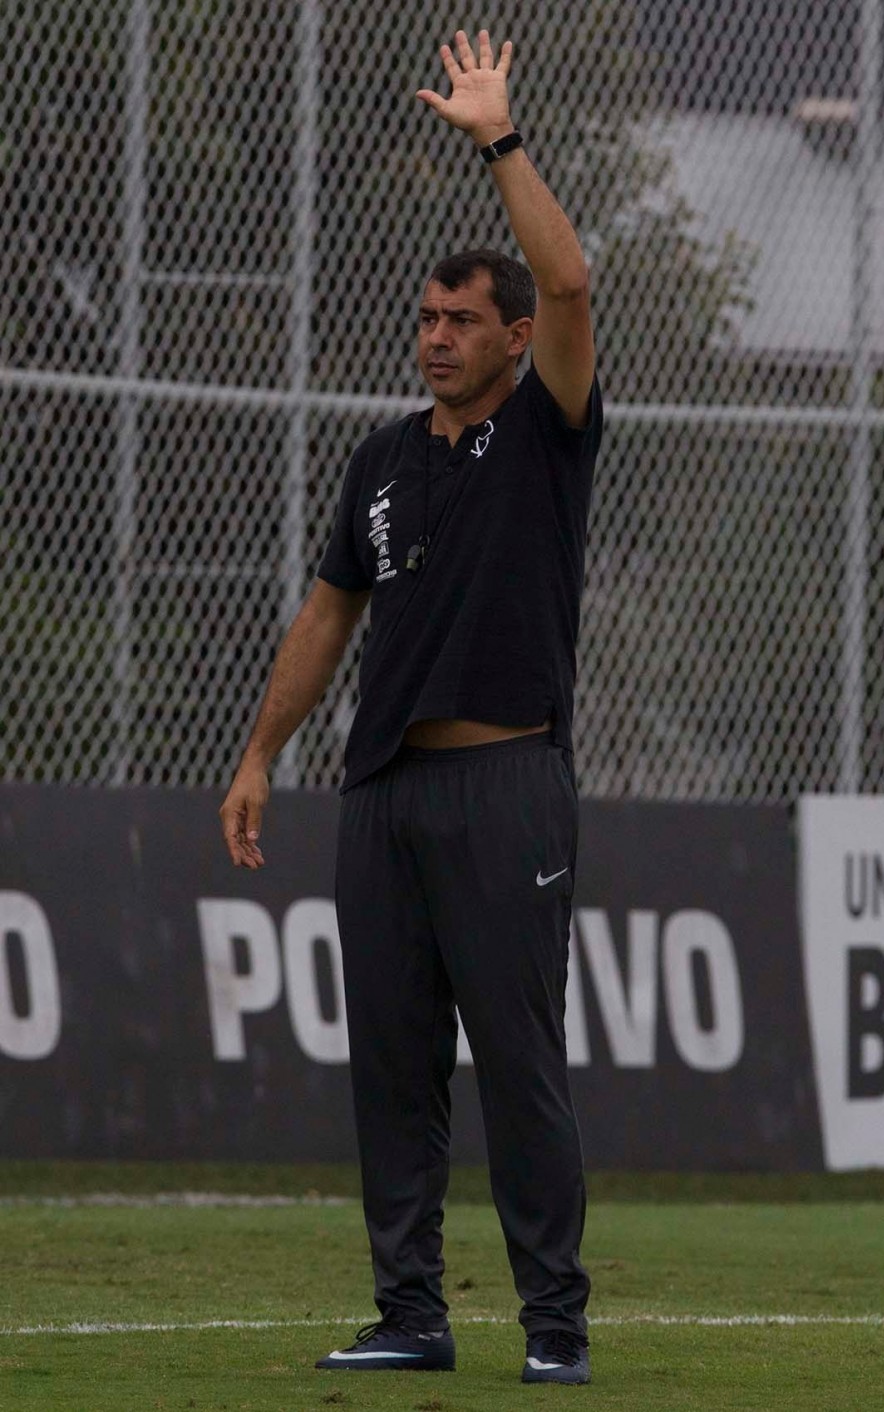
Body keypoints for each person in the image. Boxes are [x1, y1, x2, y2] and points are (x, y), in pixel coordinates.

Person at [220, 27, 602, 1387]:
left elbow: (563, 273)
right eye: (425, 321)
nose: (436, 339)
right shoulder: (382, 459)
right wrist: (262, 752)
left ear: (512, 340)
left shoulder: (545, 423)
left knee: (517, 1063)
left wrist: (498, 138)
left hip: (506, 786)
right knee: (389, 1066)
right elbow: (329, 612)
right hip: (380, 796)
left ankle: (552, 1326)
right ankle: (410, 1314)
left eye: (460, 323)